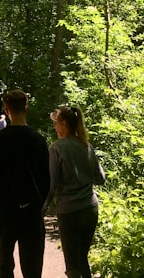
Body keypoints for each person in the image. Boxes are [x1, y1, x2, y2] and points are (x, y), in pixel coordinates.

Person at [0, 89, 50, 278]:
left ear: (6, 109)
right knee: (32, 267)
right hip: (31, 211)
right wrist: (40, 206)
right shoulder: (38, 140)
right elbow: (46, 180)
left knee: (4, 266)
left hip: (6, 210)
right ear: (26, 108)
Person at [46, 106, 105, 278]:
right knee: (81, 258)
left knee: (72, 265)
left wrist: (43, 207)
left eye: (56, 123)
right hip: (90, 209)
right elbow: (100, 178)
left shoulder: (56, 148)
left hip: (69, 211)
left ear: (63, 124)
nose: (55, 127)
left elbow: (52, 185)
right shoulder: (87, 146)